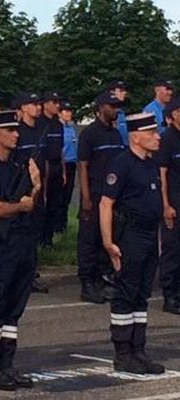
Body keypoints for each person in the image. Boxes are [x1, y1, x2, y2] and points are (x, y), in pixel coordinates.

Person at [0, 110, 41, 391]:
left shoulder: (16, 167)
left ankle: (7, 363)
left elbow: (28, 203)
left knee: (14, 308)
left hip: (21, 244)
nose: (16, 134)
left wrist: (35, 187)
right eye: (9, 130)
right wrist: (21, 206)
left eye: (16, 130)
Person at [100, 112, 164, 375]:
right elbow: (106, 203)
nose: (157, 137)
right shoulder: (122, 164)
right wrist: (108, 242)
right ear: (136, 137)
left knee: (141, 295)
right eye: (152, 133)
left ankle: (139, 350)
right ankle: (123, 352)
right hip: (131, 235)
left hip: (149, 235)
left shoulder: (149, 164)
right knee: (126, 293)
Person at [77, 92, 125, 303]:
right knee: (89, 239)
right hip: (94, 193)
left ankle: (104, 279)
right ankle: (87, 283)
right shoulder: (89, 134)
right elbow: (83, 166)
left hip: (112, 196)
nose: (116, 110)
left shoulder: (115, 135)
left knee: (108, 237)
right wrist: (86, 197)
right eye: (112, 106)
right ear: (102, 107)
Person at [12, 92, 48, 294]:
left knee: (34, 232)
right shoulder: (18, 132)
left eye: (38, 104)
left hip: (38, 188)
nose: (38, 107)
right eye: (33, 104)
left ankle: (31, 272)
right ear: (23, 108)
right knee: (20, 232)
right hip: (21, 189)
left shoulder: (40, 130)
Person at [155, 98, 180, 314]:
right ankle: (169, 294)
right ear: (171, 116)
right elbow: (162, 173)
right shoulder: (167, 139)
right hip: (173, 200)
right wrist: (165, 205)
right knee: (172, 248)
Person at [37, 91, 65, 245]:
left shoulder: (58, 124)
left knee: (55, 203)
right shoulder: (40, 124)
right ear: (46, 104)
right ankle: (40, 237)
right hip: (43, 166)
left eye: (58, 102)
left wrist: (63, 170)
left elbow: (60, 149)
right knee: (42, 202)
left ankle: (48, 237)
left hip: (56, 166)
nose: (57, 105)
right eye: (54, 102)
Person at [59, 100, 78, 231]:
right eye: (66, 111)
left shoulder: (71, 128)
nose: (69, 113)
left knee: (67, 196)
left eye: (70, 111)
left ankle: (64, 224)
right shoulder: (58, 128)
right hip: (63, 164)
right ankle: (58, 224)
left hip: (72, 164)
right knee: (59, 196)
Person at [108, 80, 129, 146]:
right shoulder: (107, 113)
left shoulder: (122, 113)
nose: (124, 93)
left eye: (125, 90)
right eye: (121, 91)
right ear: (112, 92)